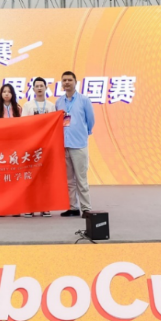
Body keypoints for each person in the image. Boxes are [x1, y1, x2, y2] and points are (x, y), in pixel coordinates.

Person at [55, 71, 95, 218]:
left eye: (69, 80)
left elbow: (91, 120)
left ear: (75, 82)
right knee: (69, 180)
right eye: (64, 80)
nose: (67, 82)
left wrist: (84, 133)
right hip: (64, 145)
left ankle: (86, 208)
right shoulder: (59, 102)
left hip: (79, 144)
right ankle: (73, 207)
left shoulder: (84, 100)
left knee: (81, 179)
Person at [22, 77, 56, 218]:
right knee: (30, 176)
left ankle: (45, 206)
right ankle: (30, 206)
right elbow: (23, 124)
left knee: (45, 177)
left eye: (42, 86)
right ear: (33, 89)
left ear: (46, 88)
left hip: (47, 146)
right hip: (31, 145)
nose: (40, 88)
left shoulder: (51, 106)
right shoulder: (28, 105)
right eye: (37, 86)